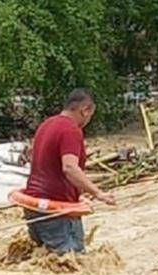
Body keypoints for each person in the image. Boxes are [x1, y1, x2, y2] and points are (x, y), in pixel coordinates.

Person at [23, 88, 117, 254]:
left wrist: (77, 194)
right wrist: (98, 193)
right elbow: (69, 168)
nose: (88, 119)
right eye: (90, 115)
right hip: (57, 213)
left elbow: (46, 166)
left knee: (45, 262)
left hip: (34, 209)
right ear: (85, 110)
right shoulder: (71, 130)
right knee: (73, 264)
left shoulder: (46, 125)